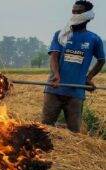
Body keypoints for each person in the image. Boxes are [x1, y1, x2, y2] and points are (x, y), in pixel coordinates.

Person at [42, 0, 105, 132]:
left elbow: (101, 60)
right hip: (54, 89)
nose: (75, 14)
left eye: (79, 12)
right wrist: (56, 75)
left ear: (87, 16)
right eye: (73, 12)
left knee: (74, 132)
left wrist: (89, 78)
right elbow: (54, 56)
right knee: (44, 128)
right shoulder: (61, 34)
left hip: (76, 92)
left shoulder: (94, 39)